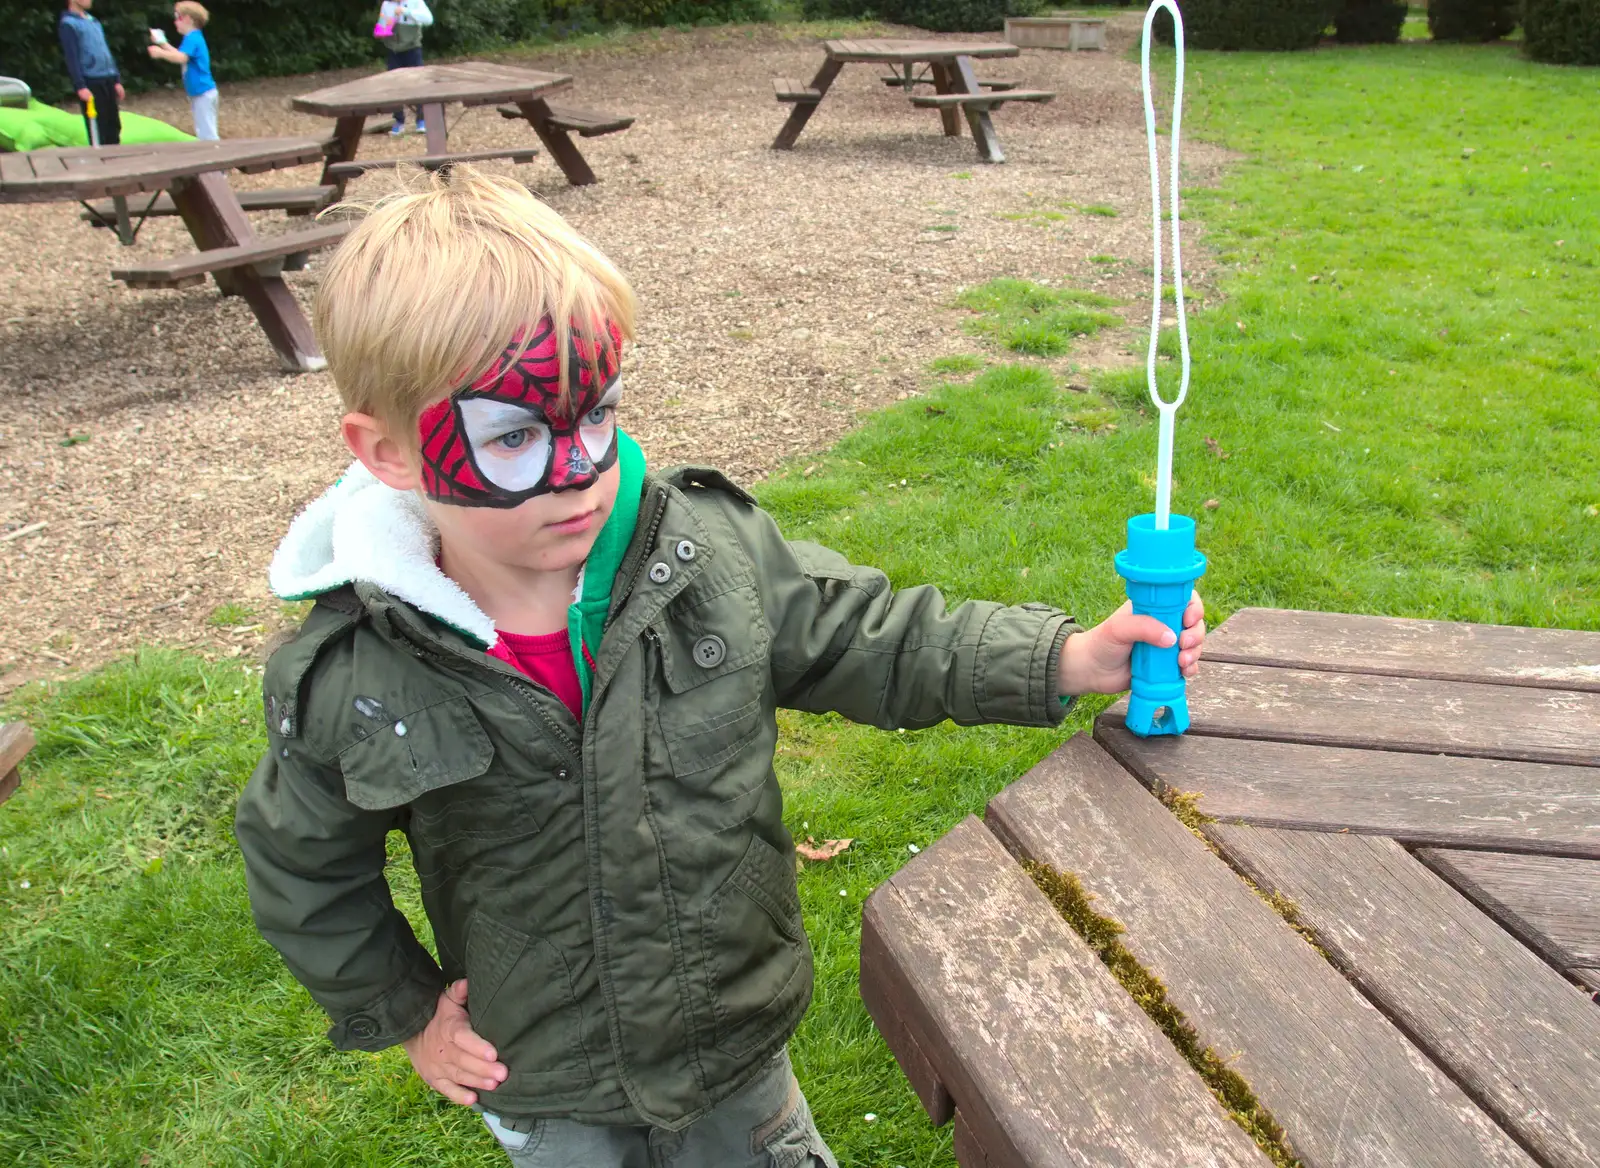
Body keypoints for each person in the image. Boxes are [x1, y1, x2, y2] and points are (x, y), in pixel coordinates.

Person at [233, 167, 1208, 1168]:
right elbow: (300, 860)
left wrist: (1068, 655)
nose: (580, 470)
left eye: (598, 413)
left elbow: (871, 636)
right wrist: (401, 1009)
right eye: (518, 436)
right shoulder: (361, 670)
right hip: (548, 1075)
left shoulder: (700, 557)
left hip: (732, 1042)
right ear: (387, 452)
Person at [147, 2, 218, 141]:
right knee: (204, 130)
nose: (175, 22)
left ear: (188, 19)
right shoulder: (193, 37)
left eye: (177, 17)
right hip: (202, 91)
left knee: (207, 134)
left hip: (202, 92)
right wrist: (162, 43)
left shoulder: (192, 38)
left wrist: (160, 53)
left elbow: (180, 57)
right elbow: (180, 54)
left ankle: (219, 160)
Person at [58, 0, 123, 147]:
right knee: (98, 128)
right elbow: (71, 57)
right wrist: (80, 85)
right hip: (91, 81)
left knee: (113, 125)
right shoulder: (68, 24)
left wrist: (116, 79)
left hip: (108, 79)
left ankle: (117, 161)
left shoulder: (94, 21)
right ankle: (101, 163)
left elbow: (105, 51)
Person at [378, 0, 432, 136]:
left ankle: (422, 120)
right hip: (394, 50)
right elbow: (382, 28)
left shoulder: (415, 2)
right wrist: (383, 28)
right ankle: (399, 121)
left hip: (412, 48)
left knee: (418, 83)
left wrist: (406, 12)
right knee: (394, 86)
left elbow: (428, 19)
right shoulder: (386, 4)